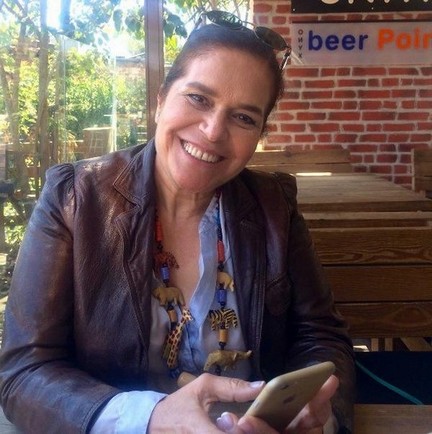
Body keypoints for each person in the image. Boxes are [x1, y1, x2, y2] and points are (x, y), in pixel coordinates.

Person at [0, 10, 355, 434]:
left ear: (259, 135)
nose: (213, 131)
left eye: (244, 117)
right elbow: (24, 371)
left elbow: (321, 335)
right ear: (160, 101)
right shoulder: (75, 197)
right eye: (198, 98)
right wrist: (148, 418)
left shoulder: (275, 204)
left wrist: (317, 414)